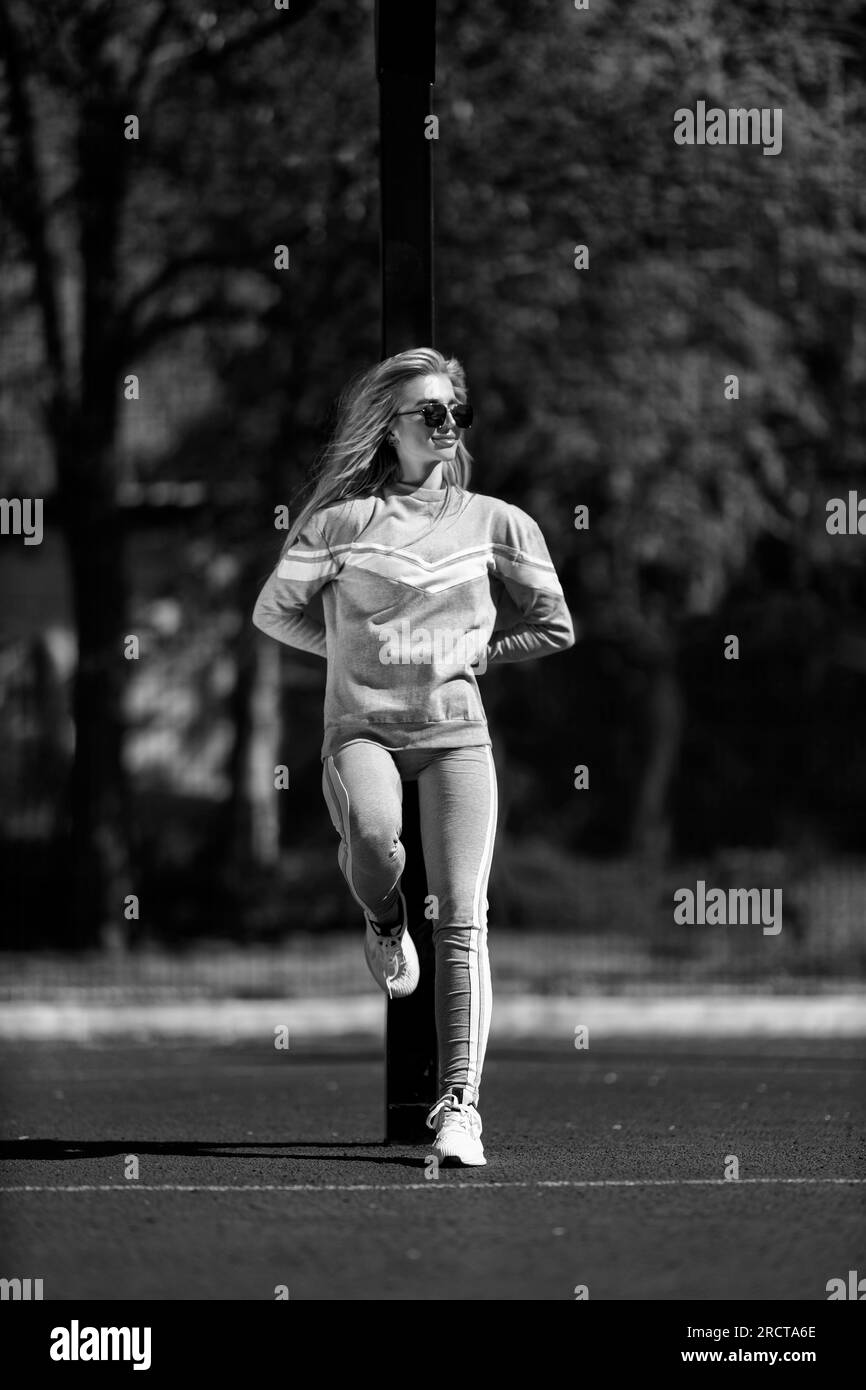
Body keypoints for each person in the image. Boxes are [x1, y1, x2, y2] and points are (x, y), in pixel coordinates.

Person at [252, 347, 574, 1165]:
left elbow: (556, 623)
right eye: (430, 412)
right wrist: (352, 655)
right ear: (389, 427)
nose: (447, 425)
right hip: (360, 732)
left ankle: (460, 1106)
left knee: (465, 921)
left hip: (457, 738)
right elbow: (272, 612)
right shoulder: (337, 526)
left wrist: (478, 654)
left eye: (454, 412)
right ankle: (385, 918)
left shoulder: (499, 521)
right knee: (370, 839)